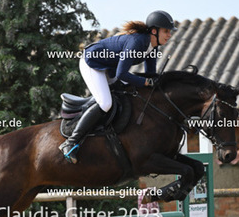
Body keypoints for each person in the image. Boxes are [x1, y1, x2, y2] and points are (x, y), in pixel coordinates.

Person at [59, 10, 176, 164]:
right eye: (166, 31)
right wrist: (146, 82)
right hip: (92, 63)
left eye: (169, 32)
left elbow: (150, 75)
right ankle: (71, 142)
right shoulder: (137, 42)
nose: (169, 35)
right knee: (105, 103)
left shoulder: (152, 47)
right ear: (154, 31)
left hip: (109, 68)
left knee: (127, 92)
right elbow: (122, 74)